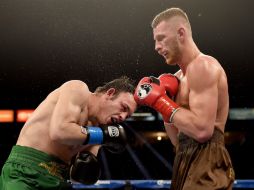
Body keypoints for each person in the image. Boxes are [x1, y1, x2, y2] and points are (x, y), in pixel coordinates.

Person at [134, 7, 235, 190]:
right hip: (183, 158)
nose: (156, 47)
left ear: (181, 33)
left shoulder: (203, 66)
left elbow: (203, 131)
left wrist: (160, 101)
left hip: (208, 157)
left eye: (161, 38)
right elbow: (177, 140)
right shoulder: (178, 78)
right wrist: (165, 104)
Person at [0, 76, 137, 190]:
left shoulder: (99, 130)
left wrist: (88, 171)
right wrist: (104, 135)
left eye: (127, 116)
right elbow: (59, 131)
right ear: (110, 93)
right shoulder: (78, 89)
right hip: (26, 172)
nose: (123, 117)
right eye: (123, 108)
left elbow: (78, 177)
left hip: (59, 179)